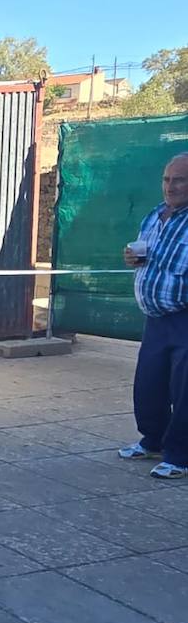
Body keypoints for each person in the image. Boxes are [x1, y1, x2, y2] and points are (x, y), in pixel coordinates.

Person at [118, 152, 188, 480]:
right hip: (156, 317)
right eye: (166, 179)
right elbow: (142, 254)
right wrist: (132, 257)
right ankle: (153, 440)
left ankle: (181, 456)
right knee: (150, 384)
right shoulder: (154, 215)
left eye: (179, 180)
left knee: (183, 389)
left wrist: (155, 258)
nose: (170, 186)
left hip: (184, 316)